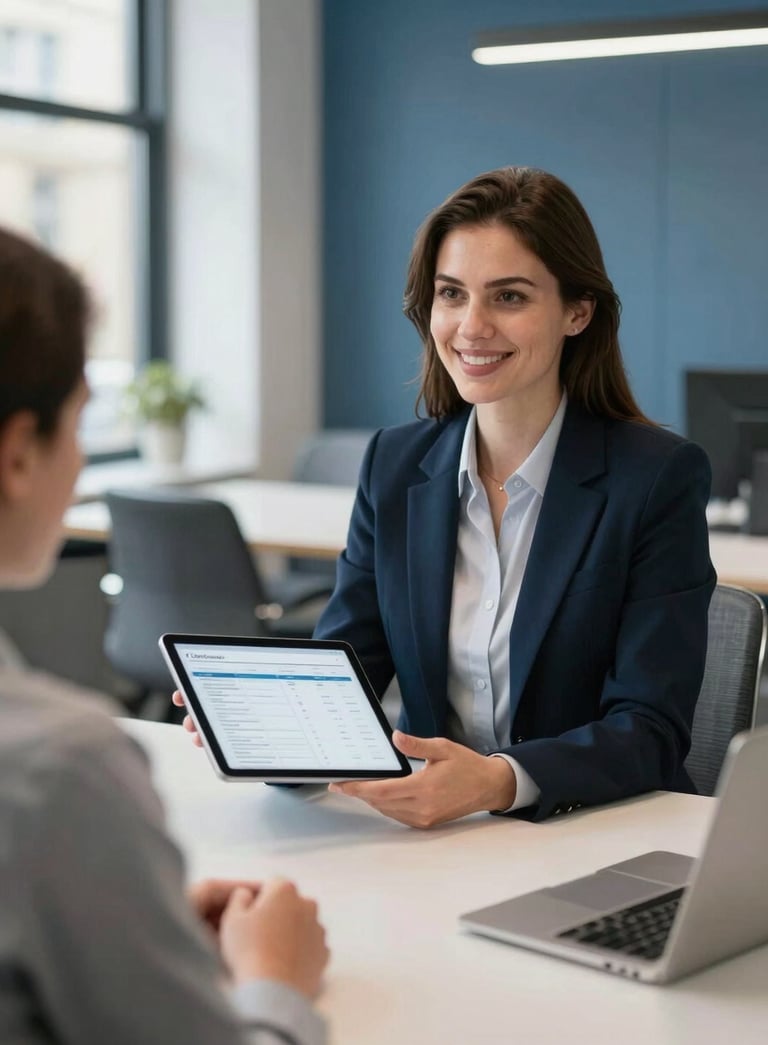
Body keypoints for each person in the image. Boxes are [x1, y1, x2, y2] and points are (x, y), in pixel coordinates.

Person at [178, 166, 715, 830]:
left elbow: (650, 727)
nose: (472, 325)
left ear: (577, 312)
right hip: (441, 841)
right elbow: (348, 668)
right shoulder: (396, 467)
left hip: (596, 831)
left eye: (510, 297)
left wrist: (498, 780)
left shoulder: (655, 478)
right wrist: (267, 728)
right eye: (451, 294)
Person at [0, 226, 329, 1045]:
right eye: (78, 423)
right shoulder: (60, 768)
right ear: (17, 455)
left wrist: (110, 911)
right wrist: (277, 984)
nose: (79, 462)